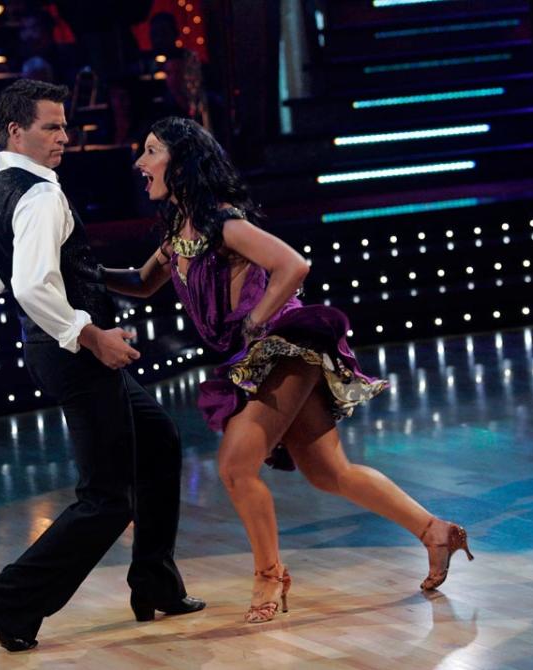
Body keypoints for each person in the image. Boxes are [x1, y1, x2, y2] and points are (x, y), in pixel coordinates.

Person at [103, 117, 474, 624]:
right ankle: (434, 530)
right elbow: (144, 284)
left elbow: (293, 265)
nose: (140, 163)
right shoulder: (177, 231)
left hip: (285, 345)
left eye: (150, 151)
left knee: (236, 466)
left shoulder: (222, 223)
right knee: (328, 472)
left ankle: (270, 574)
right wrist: (84, 271)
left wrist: (256, 321)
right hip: (258, 355)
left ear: (182, 163)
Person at [0, 80, 203, 652]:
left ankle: (154, 581)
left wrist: (14, 279)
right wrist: (86, 334)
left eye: (64, 125)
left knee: (157, 440)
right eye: (51, 127)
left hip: (53, 350)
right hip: (74, 353)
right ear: (15, 130)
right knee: (107, 500)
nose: (64, 136)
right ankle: (5, 602)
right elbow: (32, 281)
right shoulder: (38, 195)